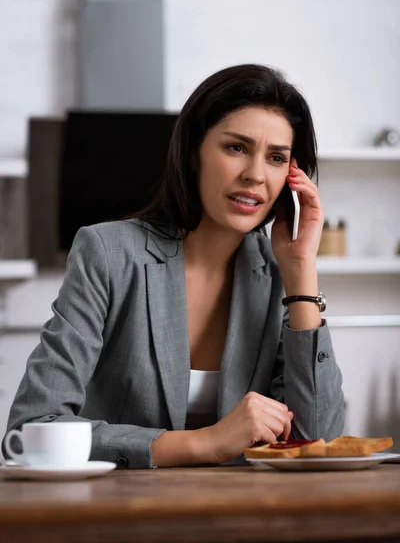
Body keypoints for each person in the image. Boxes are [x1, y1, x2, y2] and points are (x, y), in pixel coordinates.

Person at [3, 64, 344, 469]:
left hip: (245, 521)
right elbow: (32, 426)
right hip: (122, 520)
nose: (255, 175)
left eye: (275, 158)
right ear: (193, 152)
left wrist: (301, 270)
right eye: (236, 147)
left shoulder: (279, 274)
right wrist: (206, 443)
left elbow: (318, 439)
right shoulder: (109, 253)